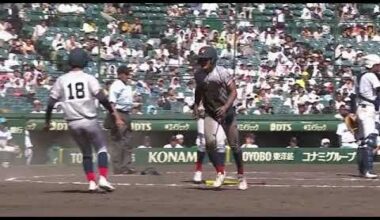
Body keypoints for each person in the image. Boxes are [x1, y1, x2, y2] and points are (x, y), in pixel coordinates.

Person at [44, 48, 122, 192]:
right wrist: (114, 114)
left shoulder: (61, 80)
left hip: (72, 122)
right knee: (101, 149)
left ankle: (92, 182)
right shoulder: (88, 78)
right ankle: (103, 178)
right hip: (89, 120)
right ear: (84, 61)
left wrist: (47, 122)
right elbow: (102, 99)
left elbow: (50, 103)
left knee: (86, 153)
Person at [193, 46, 247, 190]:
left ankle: (241, 175)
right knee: (209, 142)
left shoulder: (222, 73)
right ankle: (220, 172)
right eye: (201, 60)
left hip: (227, 112)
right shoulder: (198, 74)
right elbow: (198, 91)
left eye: (206, 60)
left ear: (213, 60)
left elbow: (234, 92)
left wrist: (225, 107)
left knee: (234, 145)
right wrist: (196, 104)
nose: (202, 63)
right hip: (210, 112)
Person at [105, 65, 137, 175]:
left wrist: (134, 107)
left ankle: (126, 166)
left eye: (129, 74)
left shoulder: (127, 86)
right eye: (126, 74)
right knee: (118, 142)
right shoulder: (116, 85)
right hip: (118, 113)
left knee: (128, 141)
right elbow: (111, 103)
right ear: (121, 74)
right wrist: (117, 118)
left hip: (127, 114)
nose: (128, 76)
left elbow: (126, 102)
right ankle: (118, 167)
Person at [353, 54, 380, 178]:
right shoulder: (370, 75)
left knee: (363, 141)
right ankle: (367, 170)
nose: (378, 67)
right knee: (370, 140)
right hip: (368, 108)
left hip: (361, 108)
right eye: (376, 65)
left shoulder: (359, 76)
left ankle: (362, 170)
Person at [192, 103, 227, 183]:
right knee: (203, 143)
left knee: (220, 143)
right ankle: (198, 171)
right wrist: (197, 109)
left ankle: (221, 171)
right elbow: (197, 105)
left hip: (219, 119)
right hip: (204, 117)